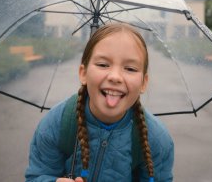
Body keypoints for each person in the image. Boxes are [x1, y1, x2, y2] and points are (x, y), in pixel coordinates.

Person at [25, 23, 174, 182]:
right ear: (83, 73)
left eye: (130, 68)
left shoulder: (157, 140)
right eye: (103, 65)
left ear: (144, 83)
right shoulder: (57, 123)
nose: (115, 77)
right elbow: (37, 175)